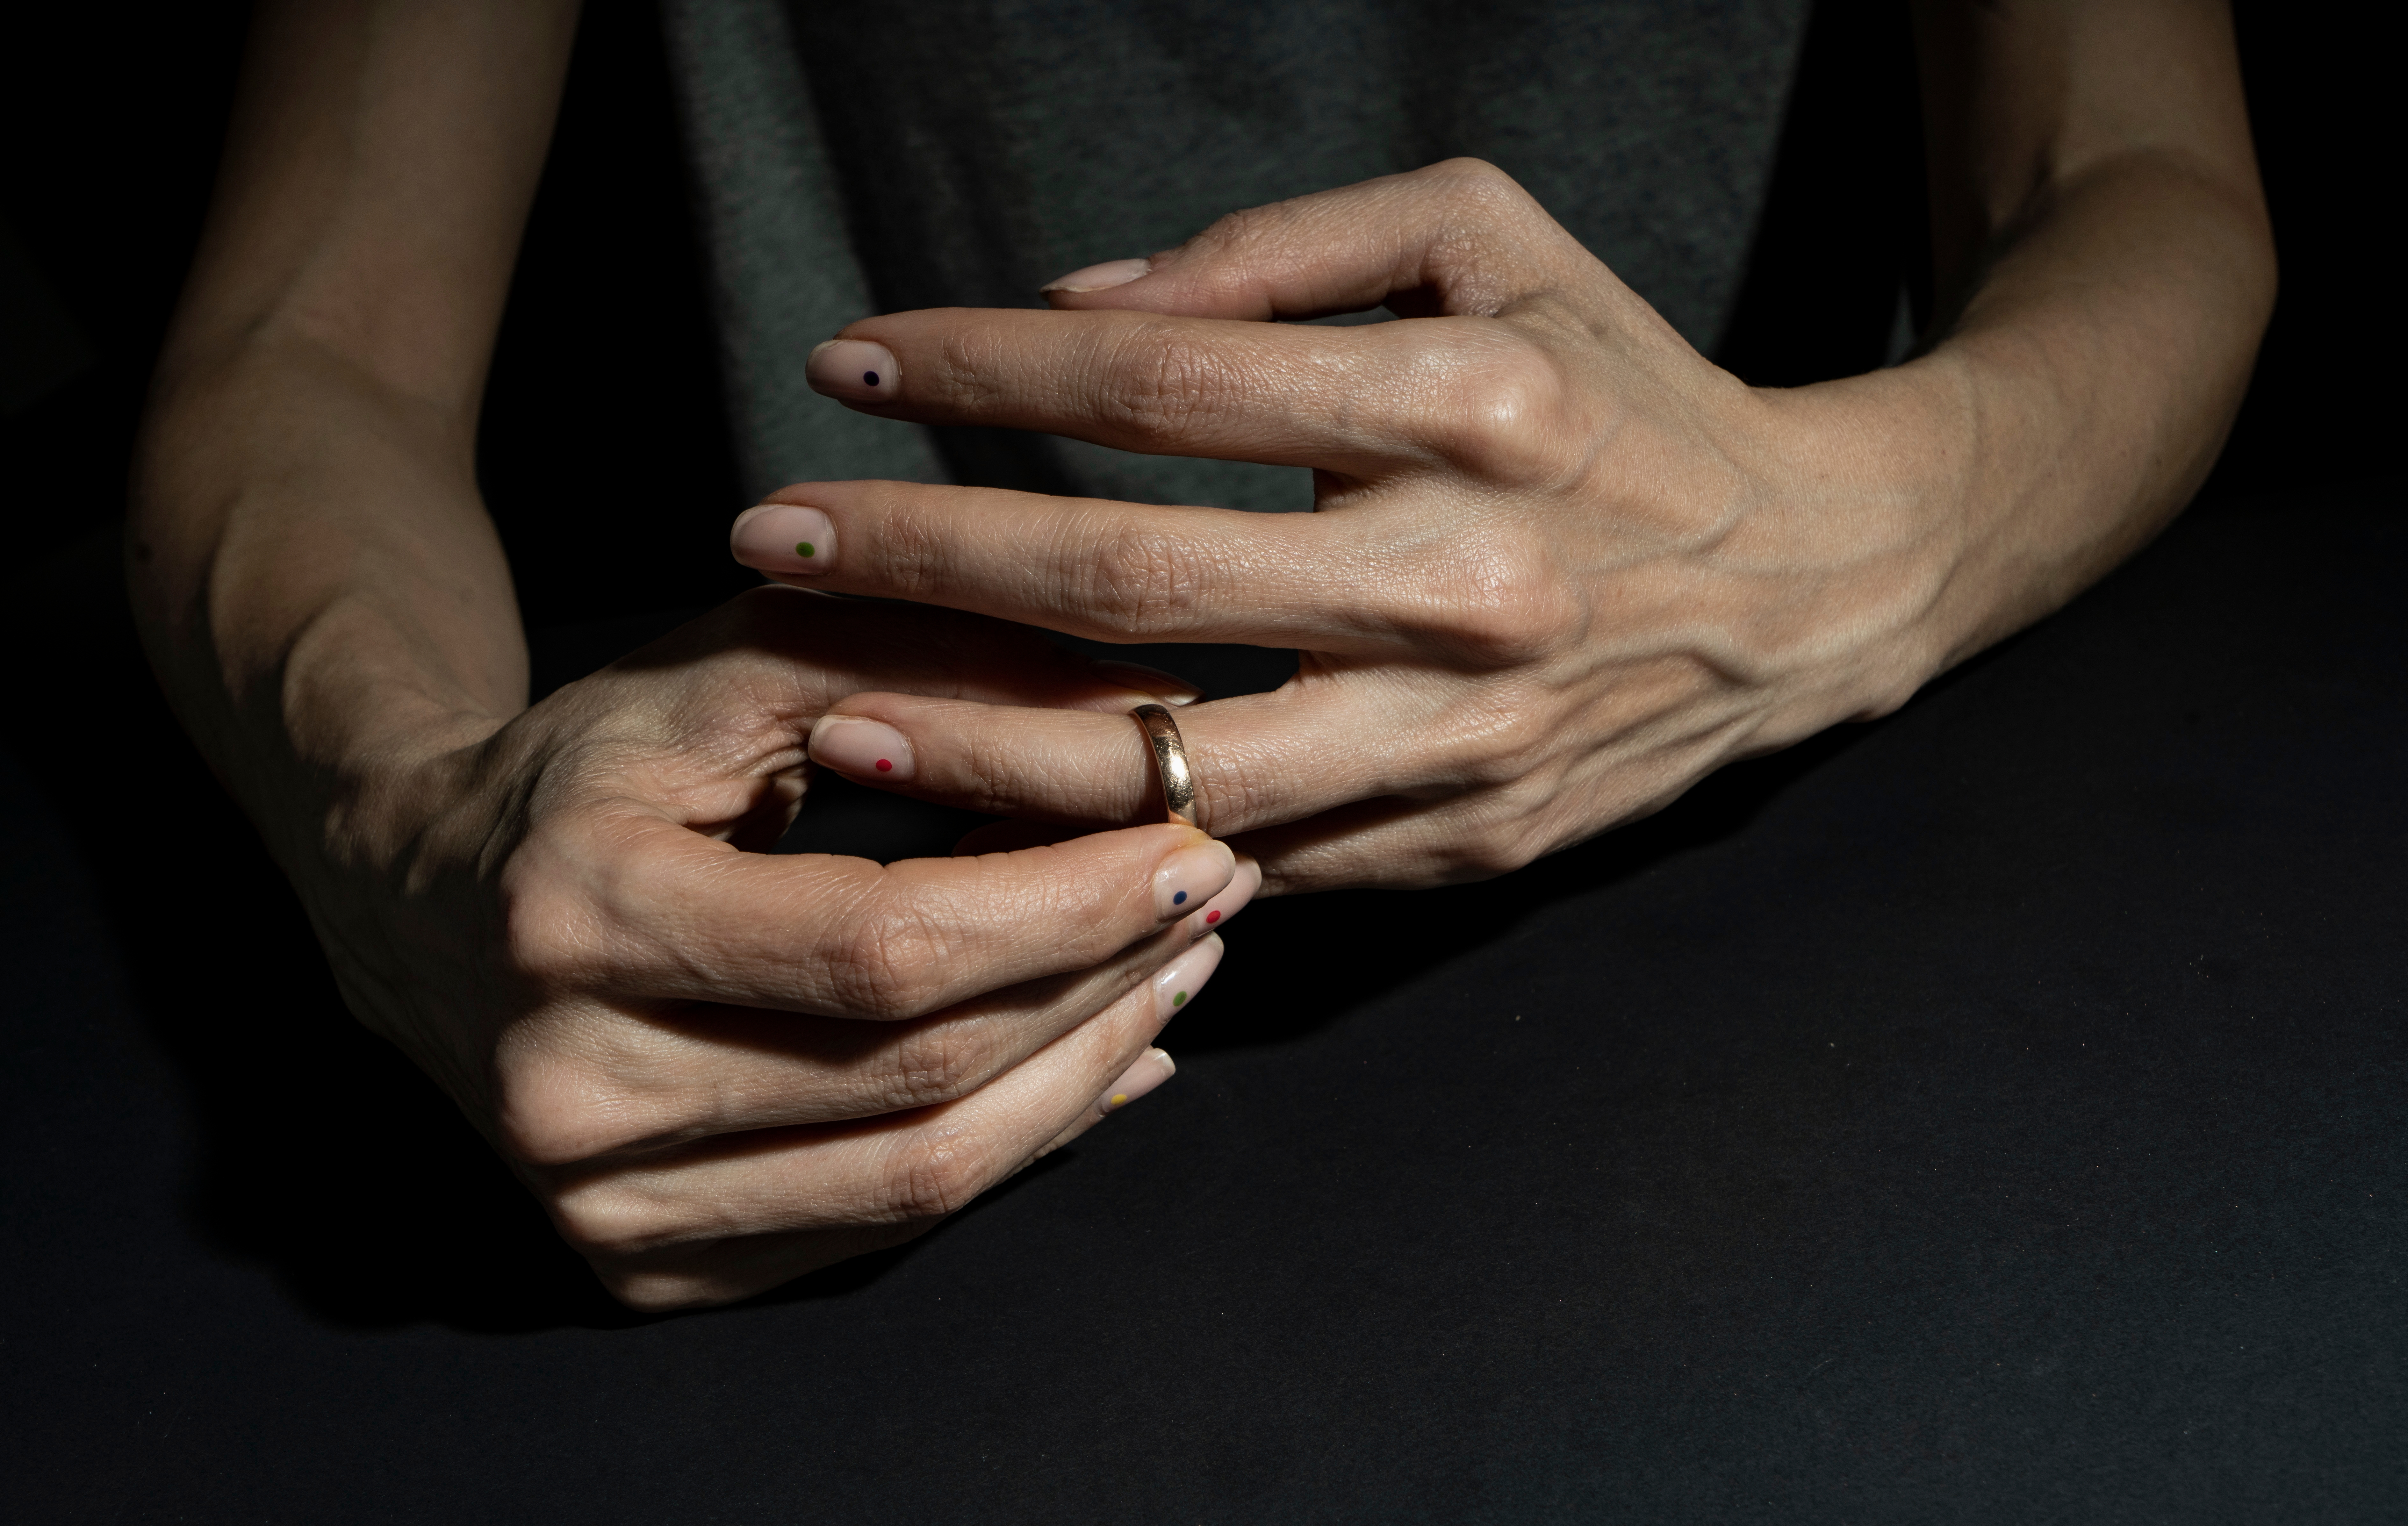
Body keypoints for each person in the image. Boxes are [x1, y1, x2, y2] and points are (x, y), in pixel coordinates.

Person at [127, 0, 2274, 1309]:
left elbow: (2141, 170)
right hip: (854, 921)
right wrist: (399, 810)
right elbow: (305, 339)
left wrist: (1834, 550)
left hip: (1826, 887)